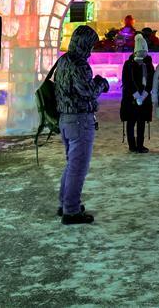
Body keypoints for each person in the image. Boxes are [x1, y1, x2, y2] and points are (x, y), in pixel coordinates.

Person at [54, 25, 109, 225]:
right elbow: (88, 92)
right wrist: (101, 83)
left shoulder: (63, 60)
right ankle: (71, 210)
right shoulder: (79, 65)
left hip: (65, 119)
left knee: (72, 164)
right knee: (78, 167)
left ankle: (65, 203)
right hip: (79, 120)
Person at [120, 33, 154, 153]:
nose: (143, 54)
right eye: (140, 51)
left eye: (144, 51)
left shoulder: (148, 64)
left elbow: (150, 81)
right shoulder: (128, 64)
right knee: (131, 121)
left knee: (141, 122)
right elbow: (127, 81)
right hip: (131, 99)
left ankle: (140, 144)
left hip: (144, 99)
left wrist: (144, 95)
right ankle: (131, 144)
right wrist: (136, 95)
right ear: (135, 51)